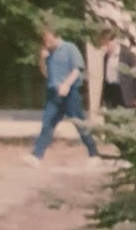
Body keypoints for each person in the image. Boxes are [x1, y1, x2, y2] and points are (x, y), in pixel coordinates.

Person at [23, 23, 98, 167]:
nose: (46, 43)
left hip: (70, 93)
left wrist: (67, 84)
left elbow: (77, 70)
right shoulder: (49, 53)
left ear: (55, 36)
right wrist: (42, 59)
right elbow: (46, 73)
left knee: (79, 123)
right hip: (53, 93)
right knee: (48, 123)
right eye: (45, 40)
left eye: (48, 39)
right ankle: (37, 156)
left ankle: (94, 153)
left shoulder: (70, 48)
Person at [98, 27, 136, 110]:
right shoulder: (106, 57)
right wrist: (102, 100)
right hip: (111, 91)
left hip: (125, 93)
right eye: (103, 44)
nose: (105, 47)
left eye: (107, 44)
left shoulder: (128, 55)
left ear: (113, 41)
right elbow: (105, 79)